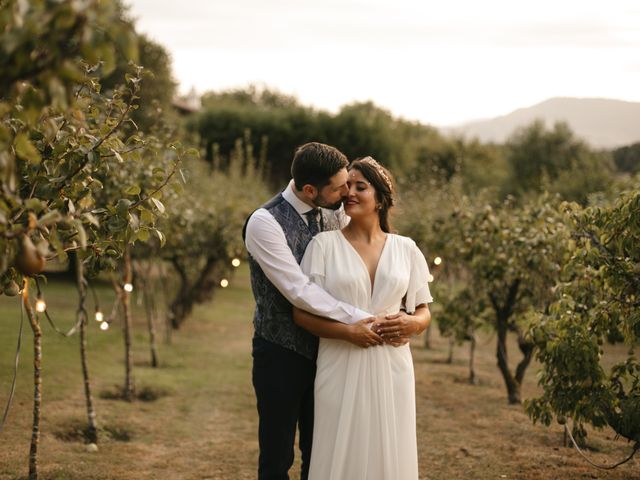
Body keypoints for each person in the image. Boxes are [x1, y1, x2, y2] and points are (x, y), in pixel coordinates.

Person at [243, 142, 385, 480]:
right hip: (280, 354)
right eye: (339, 188)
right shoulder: (265, 223)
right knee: (277, 457)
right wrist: (359, 318)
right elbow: (299, 291)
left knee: (320, 452)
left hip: (329, 351)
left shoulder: (333, 211)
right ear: (310, 190)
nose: (346, 193)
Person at [293, 156, 433, 480]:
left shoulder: (406, 248)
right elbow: (300, 313)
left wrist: (413, 323)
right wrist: (347, 333)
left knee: (390, 445)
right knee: (339, 443)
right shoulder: (323, 245)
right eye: (346, 187)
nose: (349, 193)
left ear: (381, 198)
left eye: (360, 187)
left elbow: (424, 310)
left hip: (393, 363)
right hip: (340, 360)